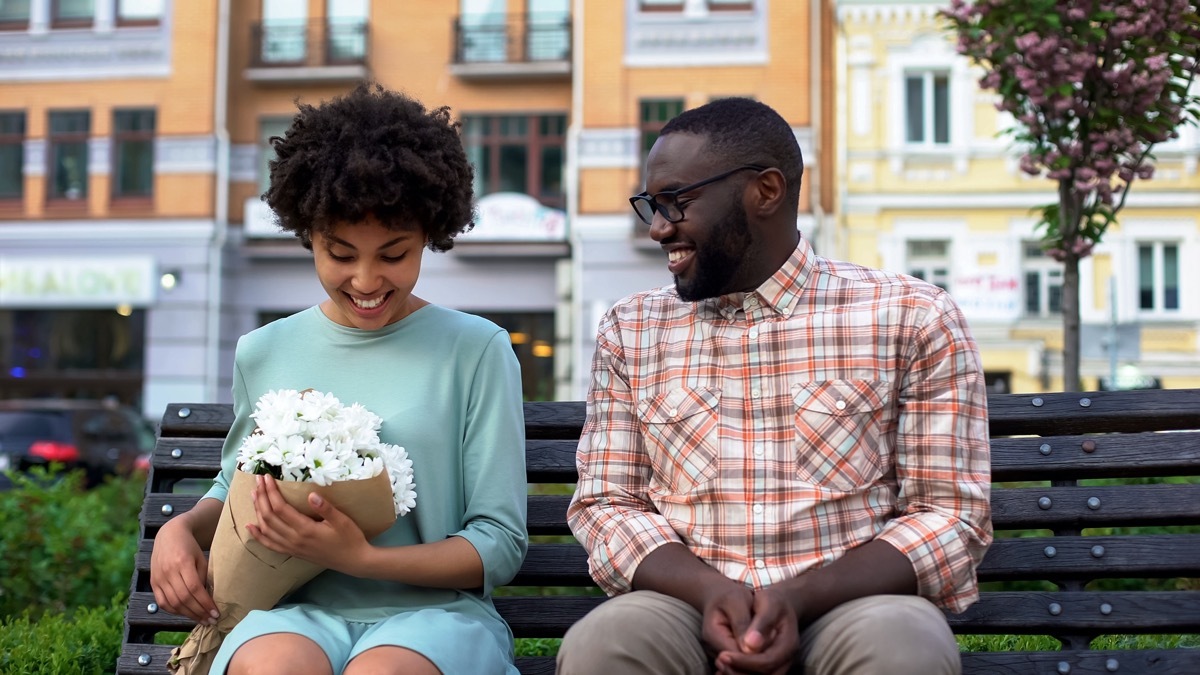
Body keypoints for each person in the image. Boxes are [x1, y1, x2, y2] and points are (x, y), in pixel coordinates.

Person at [557, 97, 992, 675]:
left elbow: (948, 513)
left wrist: (799, 598)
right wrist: (713, 592)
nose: (660, 228)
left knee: (903, 644)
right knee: (604, 644)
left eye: (676, 202)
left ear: (765, 191)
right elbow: (608, 504)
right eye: (651, 206)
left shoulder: (913, 315)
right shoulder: (632, 329)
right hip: (684, 607)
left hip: (853, 606)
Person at [149, 83, 528, 675]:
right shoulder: (264, 350)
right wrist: (180, 529)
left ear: (431, 233)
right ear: (309, 235)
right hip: (296, 612)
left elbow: (498, 542)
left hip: (436, 615)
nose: (367, 279)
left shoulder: (476, 350)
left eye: (394, 254)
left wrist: (361, 558)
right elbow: (239, 488)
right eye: (341, 254)